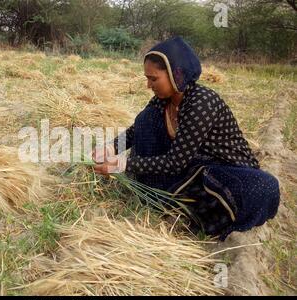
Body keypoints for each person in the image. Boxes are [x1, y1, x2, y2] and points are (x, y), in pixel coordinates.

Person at [92, 36, 280, 241]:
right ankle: (162, 193)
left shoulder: (201, 103)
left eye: (153, 79)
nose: (148, 85)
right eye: (147, 78)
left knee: (262, 187)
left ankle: (180, 202)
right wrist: (111, 148)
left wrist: (121, 164)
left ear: (176, 75)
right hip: (190, 166)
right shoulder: (163, 101)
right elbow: (134, 132)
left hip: (223, 169)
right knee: (146, 118)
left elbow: (175, 162)